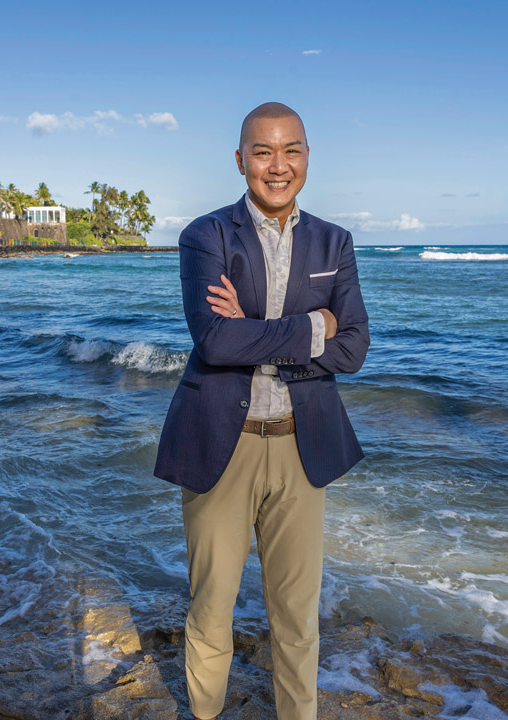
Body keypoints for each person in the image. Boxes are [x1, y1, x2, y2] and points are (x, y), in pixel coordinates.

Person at [154, 102, 370, 720]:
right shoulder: (207, 236)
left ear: (307, 156)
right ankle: (204, 712)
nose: (278, 166)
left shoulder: (336, 241)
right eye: (264, 152)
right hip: (221, 443)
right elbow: (215, 342)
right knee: (211, 605)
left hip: (304, 445)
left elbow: (353, 348)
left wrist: (259, 332)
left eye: (291, 150)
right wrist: (313, 327)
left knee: (298, 616)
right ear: (242, 160)